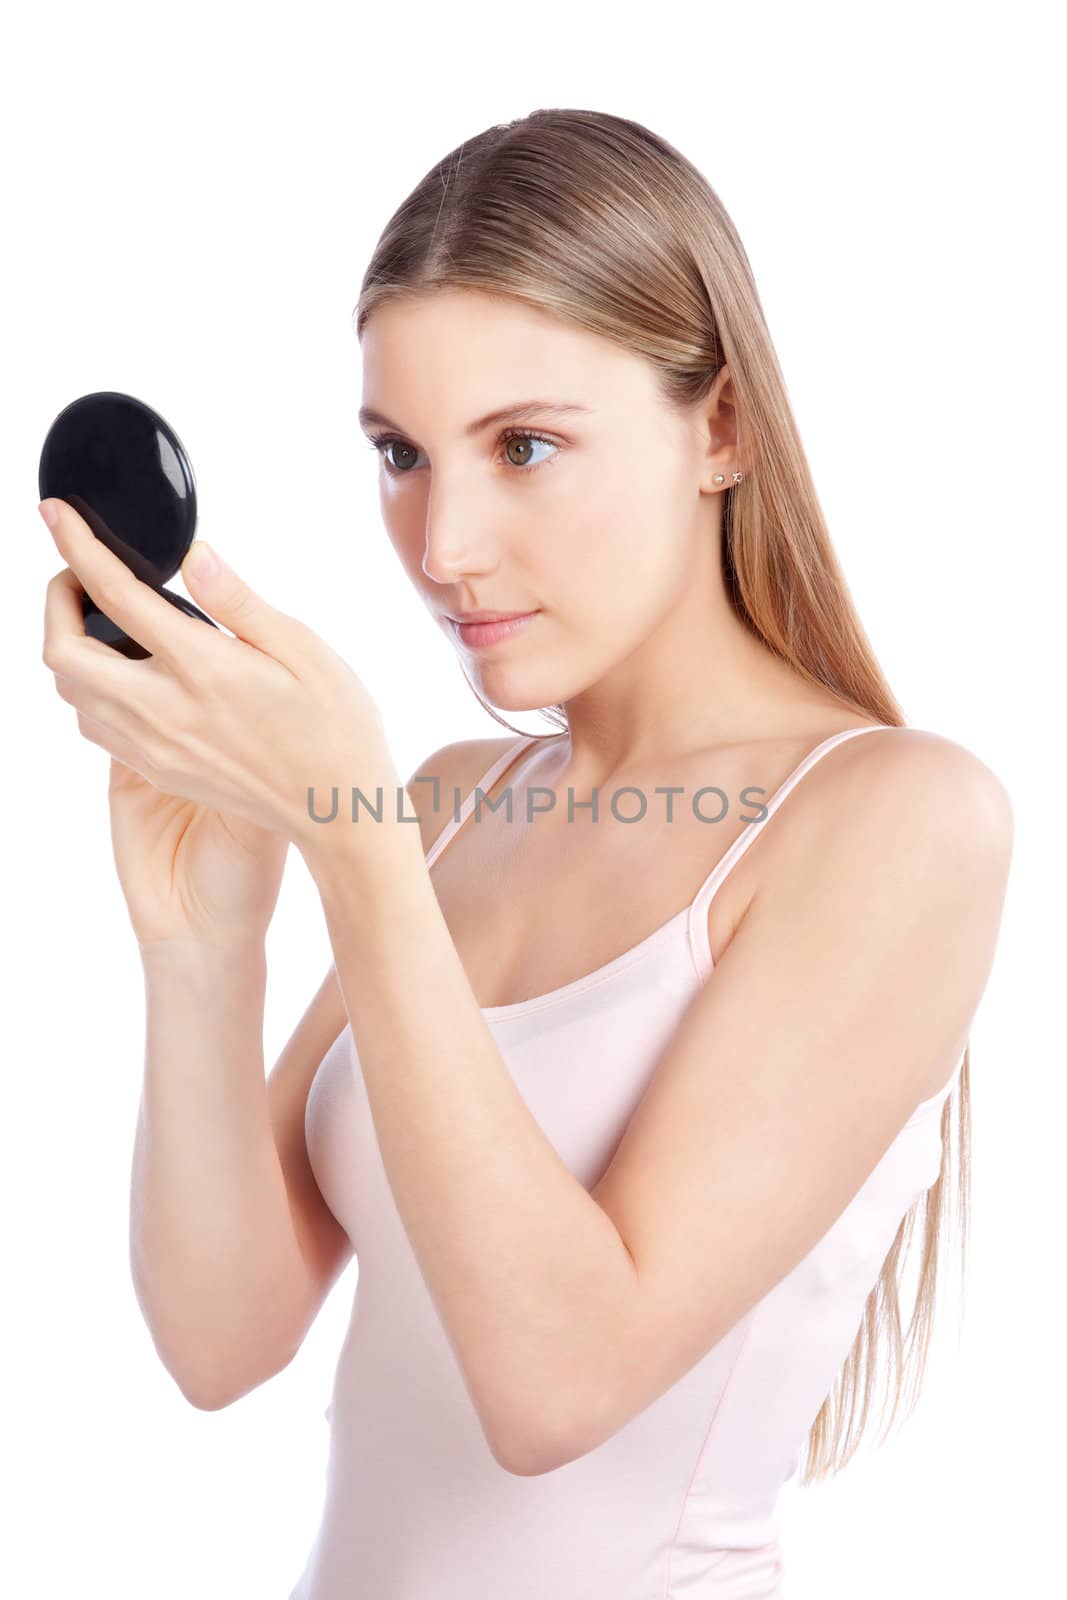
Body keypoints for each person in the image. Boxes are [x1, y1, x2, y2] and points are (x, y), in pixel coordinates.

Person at [42, 109, 1013, 1599]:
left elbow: (555, 1387)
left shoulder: (893, 819)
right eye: (401, 455)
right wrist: (205, 944)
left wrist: (350, 854)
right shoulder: (443, 806)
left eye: (527, 447)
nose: (442, 547)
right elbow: (220, 1344)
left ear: (723, 429)